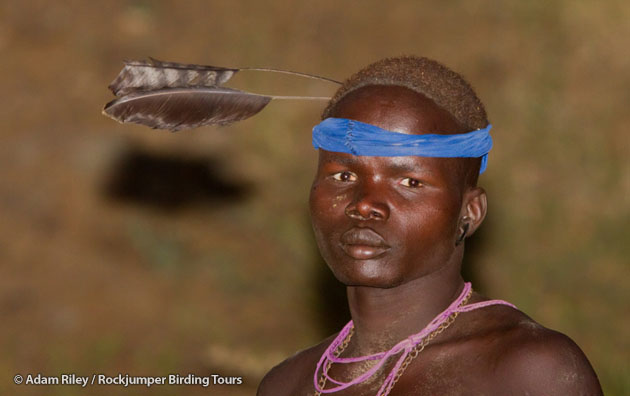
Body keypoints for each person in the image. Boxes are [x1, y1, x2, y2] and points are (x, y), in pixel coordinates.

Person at [257, 56, 602, 396]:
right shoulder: (287, 384)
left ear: (470, 212)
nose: (364, 204)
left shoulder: (529, 371)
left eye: (409, 182)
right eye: (343, 176)